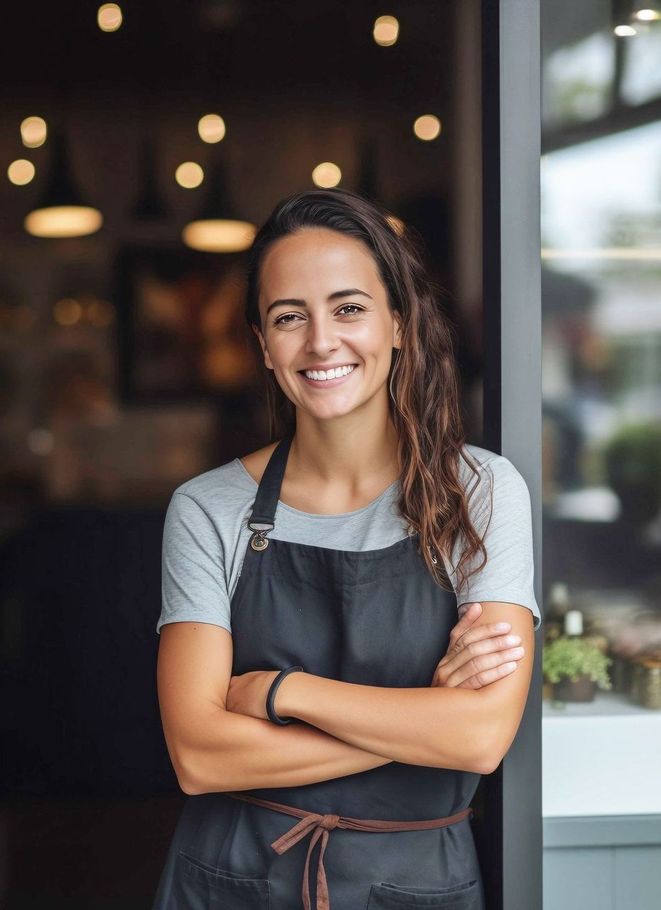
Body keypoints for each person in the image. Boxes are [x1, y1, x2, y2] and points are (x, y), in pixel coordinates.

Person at [151, 188, 541, 910]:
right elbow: (200, 757)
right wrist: (423, 718)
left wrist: (277, 692)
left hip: (415, 881)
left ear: (398, 323)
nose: (321, 341)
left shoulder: (481, 492)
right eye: (288, 317)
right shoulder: (209, 509)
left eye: (348, 307)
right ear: (264, 347)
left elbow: (482, 738)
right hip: (235, 877)